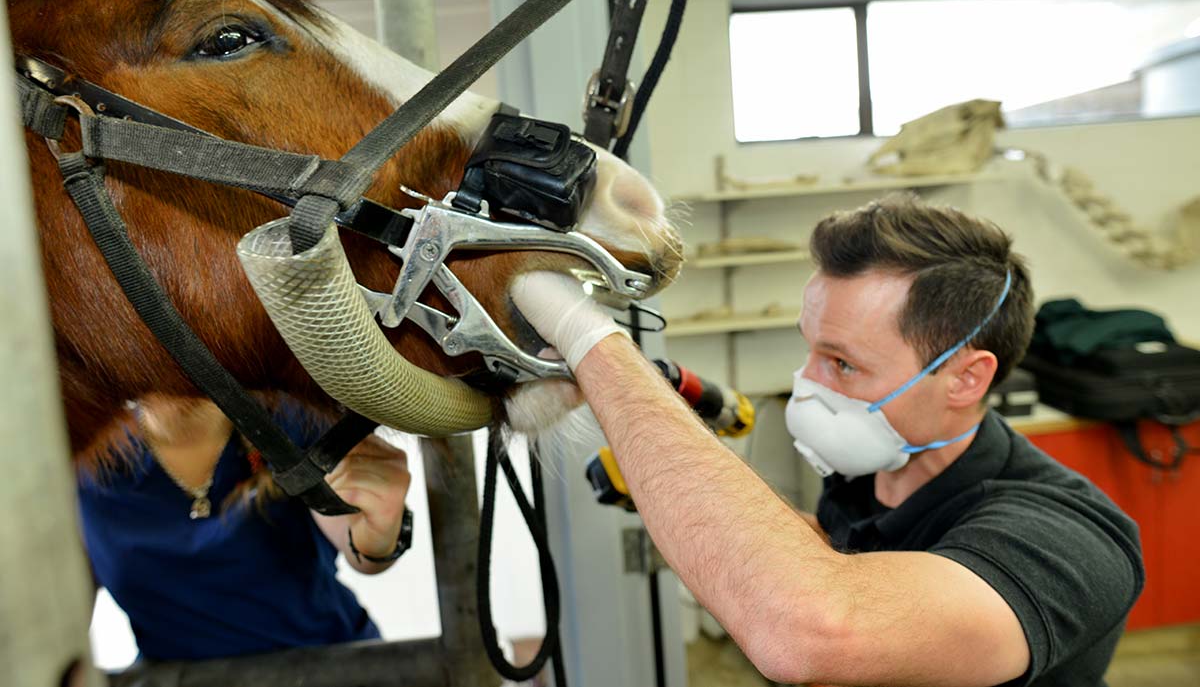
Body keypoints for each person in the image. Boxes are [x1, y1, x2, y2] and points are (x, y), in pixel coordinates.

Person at [513, 194, 1144, 687]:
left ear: (965, 376)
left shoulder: (1066, 537)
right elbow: (817, 558)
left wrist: (591, 342)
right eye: (811, 349)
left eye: (843, 364)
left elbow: (810, 633)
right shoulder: (870, 476)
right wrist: (684, 492)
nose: (808, 384)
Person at [77, 396, 412, 661]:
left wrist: (380, 530)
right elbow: (60, 616)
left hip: (329, 668)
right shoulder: (85, 462)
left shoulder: (286, 418)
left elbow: (361, 544)